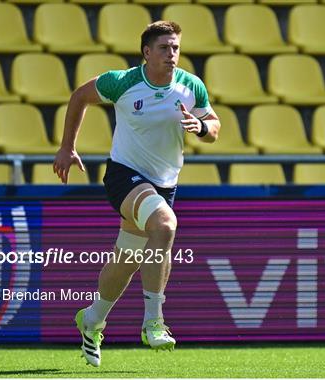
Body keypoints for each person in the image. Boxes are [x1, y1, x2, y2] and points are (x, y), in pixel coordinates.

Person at [53, 21, 220, 367]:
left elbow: (214, 126)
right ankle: (153, 321)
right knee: (165, 225)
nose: (172, 54)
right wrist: (67, 148)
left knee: (127, 260)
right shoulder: (123, 82)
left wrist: (202, 126)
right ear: (147, 52)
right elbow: (79, 96)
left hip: (164, 184)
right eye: (164, 48)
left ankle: (92, 319)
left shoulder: (191, 86)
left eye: (175, 47)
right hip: (123, 175)